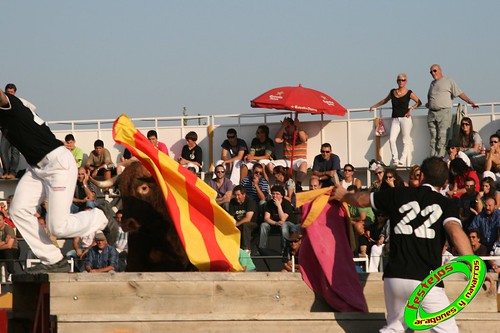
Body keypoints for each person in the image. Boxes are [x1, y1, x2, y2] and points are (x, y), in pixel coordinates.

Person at [330, 156, 476, 333]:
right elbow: (455, 231)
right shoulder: (446, 204)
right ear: (445, 183)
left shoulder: (397, 193)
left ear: (421, 176)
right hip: (426, 280)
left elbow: (361, 200)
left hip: (395, 278)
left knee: (395, 328)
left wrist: (343, 195)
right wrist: (474, 264)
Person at [0, 88, 108, 274]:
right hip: (37, 169)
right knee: (17, 210)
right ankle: (54, 259)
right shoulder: (15, 113)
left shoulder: (11, 105)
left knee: (57, 226)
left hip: (57, 163)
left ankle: (99, 216)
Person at [426, 64, 479, 157]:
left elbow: (459, 93)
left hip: (444, 112)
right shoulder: (432, 83)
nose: (433, 73)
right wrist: (429, 103)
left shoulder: (448, 81)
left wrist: (469, 101)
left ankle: (439, 159)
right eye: (431, 72)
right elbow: (430, 96)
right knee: (433, 138)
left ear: (440, 70)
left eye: (435, 70)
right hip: (432, 113)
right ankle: (432, 158)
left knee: (442, 138)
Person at [370, 73, 422, 167]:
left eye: (403, 80)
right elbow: (384, 100)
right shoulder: (393, 92)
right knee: (391, 139)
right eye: (399, 80)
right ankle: (395, 159)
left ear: (406, 81)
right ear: (396, 81)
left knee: (405, 140)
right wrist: (374, 106)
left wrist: (411, 109)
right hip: (395, 119)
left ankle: (402, 159)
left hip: (405, 118)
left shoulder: (409, 92)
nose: (401, 82)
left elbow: (419, 102)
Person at [1, 84, 35, 179]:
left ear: (15, 92)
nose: (10, 94)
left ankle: (13, 172)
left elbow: (33, 108)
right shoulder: (1, 103)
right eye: (8, 92)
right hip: (6, 131)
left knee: (15, 152)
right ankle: (6, 171)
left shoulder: (20, 102)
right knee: (2, 150)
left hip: (17, 131)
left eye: (12, 92)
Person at [268, 117, 308, 192]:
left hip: (299, 160)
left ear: (294, 126)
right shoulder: (285, 135)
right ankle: (283, 181)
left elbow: (303, 139)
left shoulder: (300, 133)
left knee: (304, 164)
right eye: (286, 127)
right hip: (286, 160)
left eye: (288, 126)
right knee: (270, 164)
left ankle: (298, 184)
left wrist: (298, 126)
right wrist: (283, 126)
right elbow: (277, 140)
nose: (287, 129)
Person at [259, 185, 299, 250]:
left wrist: (279, 206)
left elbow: (283, 218)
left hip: (289, 224)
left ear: (282, 196)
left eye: (277, 194)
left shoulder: (287, 204)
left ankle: (285, 248)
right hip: (275, 223)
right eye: (273, 194)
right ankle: (262, 248)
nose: (275, 196)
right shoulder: (269, 203)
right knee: (264, 225)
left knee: (284, 225)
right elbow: (266, 218)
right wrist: (275, 223)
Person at [228, 185, 259, 254]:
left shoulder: (250, 202)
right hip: (238, 223)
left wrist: (236, 224)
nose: (237, 197)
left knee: (245, 225)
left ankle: (246, 249)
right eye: (235, 195)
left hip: (252, 224)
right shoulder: (233, 202)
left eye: (238, 195)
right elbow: (231, 216)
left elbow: (248, 218)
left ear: (244, 194)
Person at [0, 211, 20, 276]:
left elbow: (9, 245)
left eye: (0, 220)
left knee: (7, 251)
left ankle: (11, 273)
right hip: (2, 251)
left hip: (13, 251)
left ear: (4, 220)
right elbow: (6, 243)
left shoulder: (8, 229)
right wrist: (5, 242)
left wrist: (3, 244)